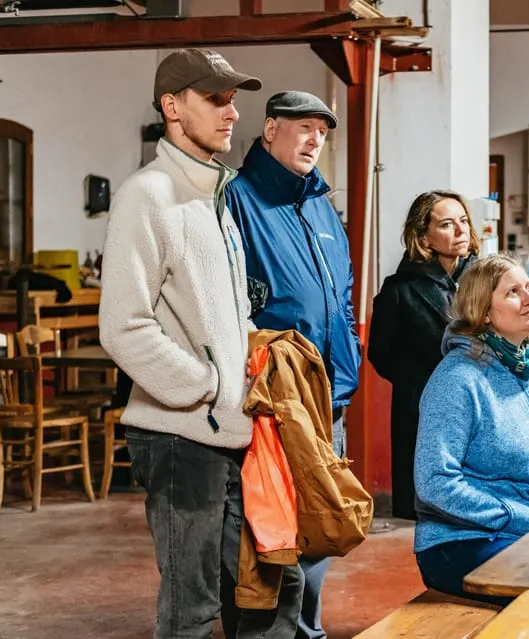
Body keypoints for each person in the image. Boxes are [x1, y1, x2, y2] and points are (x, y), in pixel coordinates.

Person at [99, 48, 303, 639]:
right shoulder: (148, 194)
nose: (231, 112)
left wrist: (252, 363)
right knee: (191, 610)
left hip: (235, 429)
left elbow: (221, 313)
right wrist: (206, 385)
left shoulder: (213, 196)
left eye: (232, 100)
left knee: (270, 589)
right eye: (215, 99)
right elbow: (123, 325)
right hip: (180, 436)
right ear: (171, 106)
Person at [224, 90, 361, 639]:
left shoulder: (322, 206)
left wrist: (349, 354)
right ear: (270, 129)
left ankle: (306, 629)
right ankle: (264, 631)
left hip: (329, 395)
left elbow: (343, 298)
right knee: (270, 528)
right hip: (275, 398)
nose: (314, 140)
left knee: (318, 520)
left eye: (322, 133)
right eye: (304, 127)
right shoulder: (237, 199)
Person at [413, 254, 529, 607]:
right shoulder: (457, 380)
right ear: (484, 313)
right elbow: (434, 482)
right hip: (465, 539)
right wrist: (519, 517)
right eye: (512, 292)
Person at [367, 190, 481, 520]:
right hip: (421, 405)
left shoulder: (483, 281)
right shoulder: (399, 289)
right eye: (446, 224)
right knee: (422, 509)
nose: (460, 230)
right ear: (424, 236)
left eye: (463, 221)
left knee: (475, 502)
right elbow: (381, 354)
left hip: (477, 400)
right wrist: (421, 382)